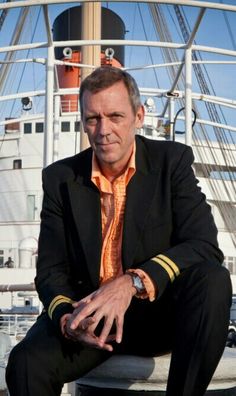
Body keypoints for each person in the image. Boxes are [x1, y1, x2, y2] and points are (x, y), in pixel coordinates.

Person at [6, 66, 232, 396]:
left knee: (213, 279)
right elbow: (51, 271)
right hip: (91, 319)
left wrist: (132, 282)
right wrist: (69, 320)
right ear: (83, 121)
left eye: (115, 116)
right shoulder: (61, 178)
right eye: (93, 119)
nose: (103, 130)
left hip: (157, 315)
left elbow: (203, 245)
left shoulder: (171, 162)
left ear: (138, 116)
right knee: (26, 363)